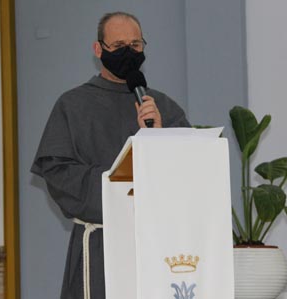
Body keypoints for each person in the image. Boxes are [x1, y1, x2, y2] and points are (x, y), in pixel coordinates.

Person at [31, 11, 190, 299]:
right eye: (118, 47)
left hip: (157, 248)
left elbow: (188, 173)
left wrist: (158, 137)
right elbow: (59, 174)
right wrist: (118, 187)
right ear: (98, 49)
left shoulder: (163, 107)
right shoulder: (72, 105)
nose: (128, 53)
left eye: (136, 45)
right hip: (101, 246)